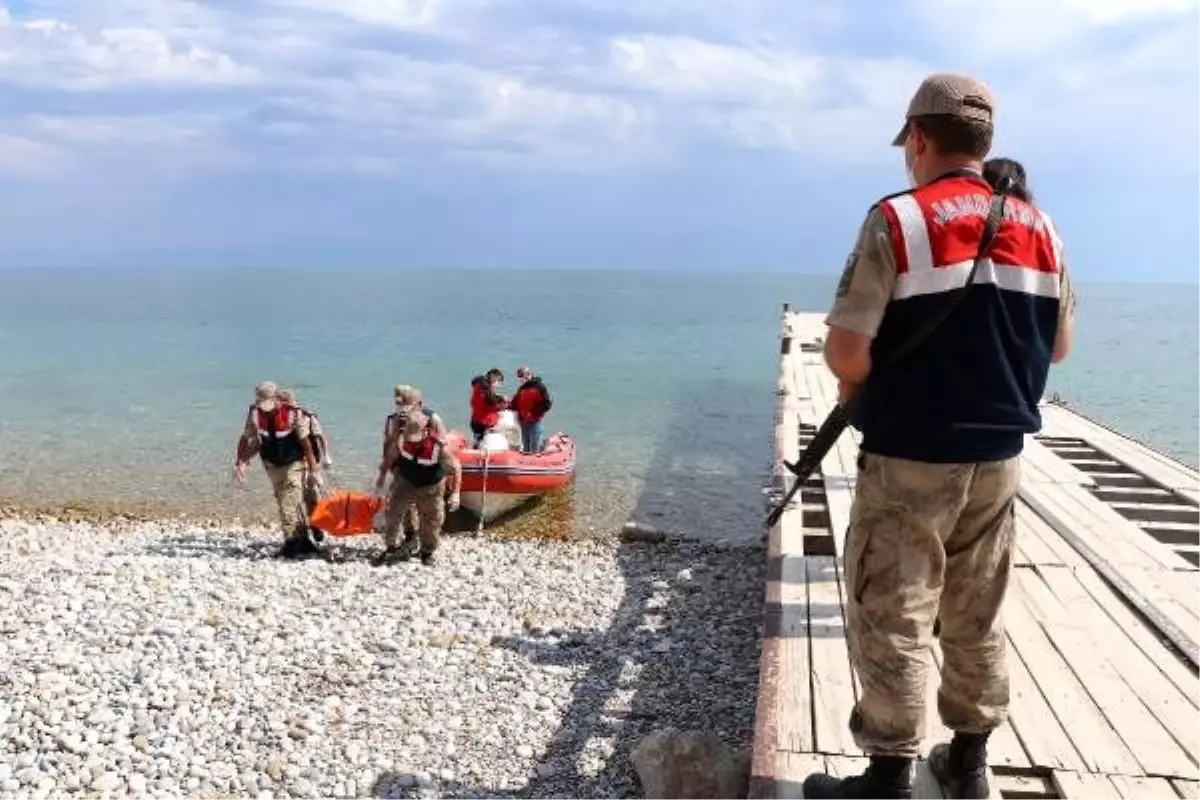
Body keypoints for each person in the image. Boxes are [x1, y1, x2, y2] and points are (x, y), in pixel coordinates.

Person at [801, 73, 1076, 800]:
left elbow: (847, 354)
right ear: (985, 143)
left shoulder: (899, 220)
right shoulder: (1041, 227)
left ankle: (889, 775)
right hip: (999, 458)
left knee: (894, 608)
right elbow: (1059, 347)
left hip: (912, 455)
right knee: (976, 610)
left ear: (918, 139)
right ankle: (970, 762)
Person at [234, 381, 325, 559]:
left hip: (294, 464)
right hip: (271, 465)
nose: (265, 409)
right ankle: (304, 541)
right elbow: (246, 438)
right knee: (286, 502)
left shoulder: (292, 414)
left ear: (276, 398)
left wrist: (314, 470)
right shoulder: (254, 413)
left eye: (268, 404)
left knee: (288, 504)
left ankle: (290, 543)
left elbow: (305, 444)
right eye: (262, 404)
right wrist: (240, 462)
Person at [375, 408, 462, 567]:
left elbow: (456, 468)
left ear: (426, 431)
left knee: (432, 519)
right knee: (393, 512)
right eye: (410, 437)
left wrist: (455, 494)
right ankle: (391, 547)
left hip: (431, 485)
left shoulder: (438, 446)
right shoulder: (401, 438)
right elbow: (392, 455)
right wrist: (381, 476)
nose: (412, 441)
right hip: (406, 480)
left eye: (415, 437)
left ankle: (427, 552)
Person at [374, 384, 447, 553]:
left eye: (404, 404)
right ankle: (401, 539)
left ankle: (424, 546)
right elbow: (390, 444)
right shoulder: (394, 419)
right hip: (402, 468)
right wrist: (384, 470)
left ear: (419, 404)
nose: (401, 408)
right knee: (396, 508)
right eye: (398, 403)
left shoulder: (432, 418)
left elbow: (443, 448)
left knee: (428, 514)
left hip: (427, 471)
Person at [278, 387, 333, 467]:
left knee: (318, 435)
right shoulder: (281, 415)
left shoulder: (307, 415)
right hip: (297, 452)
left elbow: (320, 436)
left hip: (310, 448)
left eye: (284, 401)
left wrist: (326, 455)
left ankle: (326, 456)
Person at [511, 366, 553, 453]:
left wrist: (534, 413)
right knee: (526, 446)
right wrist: (505, 405)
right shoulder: (522, 389)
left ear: (529, 375)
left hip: (535, 422)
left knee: (534, 446)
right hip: (523, 421)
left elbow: (546, 404)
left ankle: (535, 459)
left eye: (523, 377)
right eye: (520, 377)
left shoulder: (539, 387)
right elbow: (515, 403)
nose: (522, 379)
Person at [469, 368, 507, 446]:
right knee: (486, 444)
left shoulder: (479, 387)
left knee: (477, 442)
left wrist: (500, 398)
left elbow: (490, 399)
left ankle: (474, 452)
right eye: (498, 382)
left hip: (475, 421)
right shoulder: (486, 390)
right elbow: (491, 403)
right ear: (494, 379)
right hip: (485, 423)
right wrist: (503, 406)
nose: (499, 385)